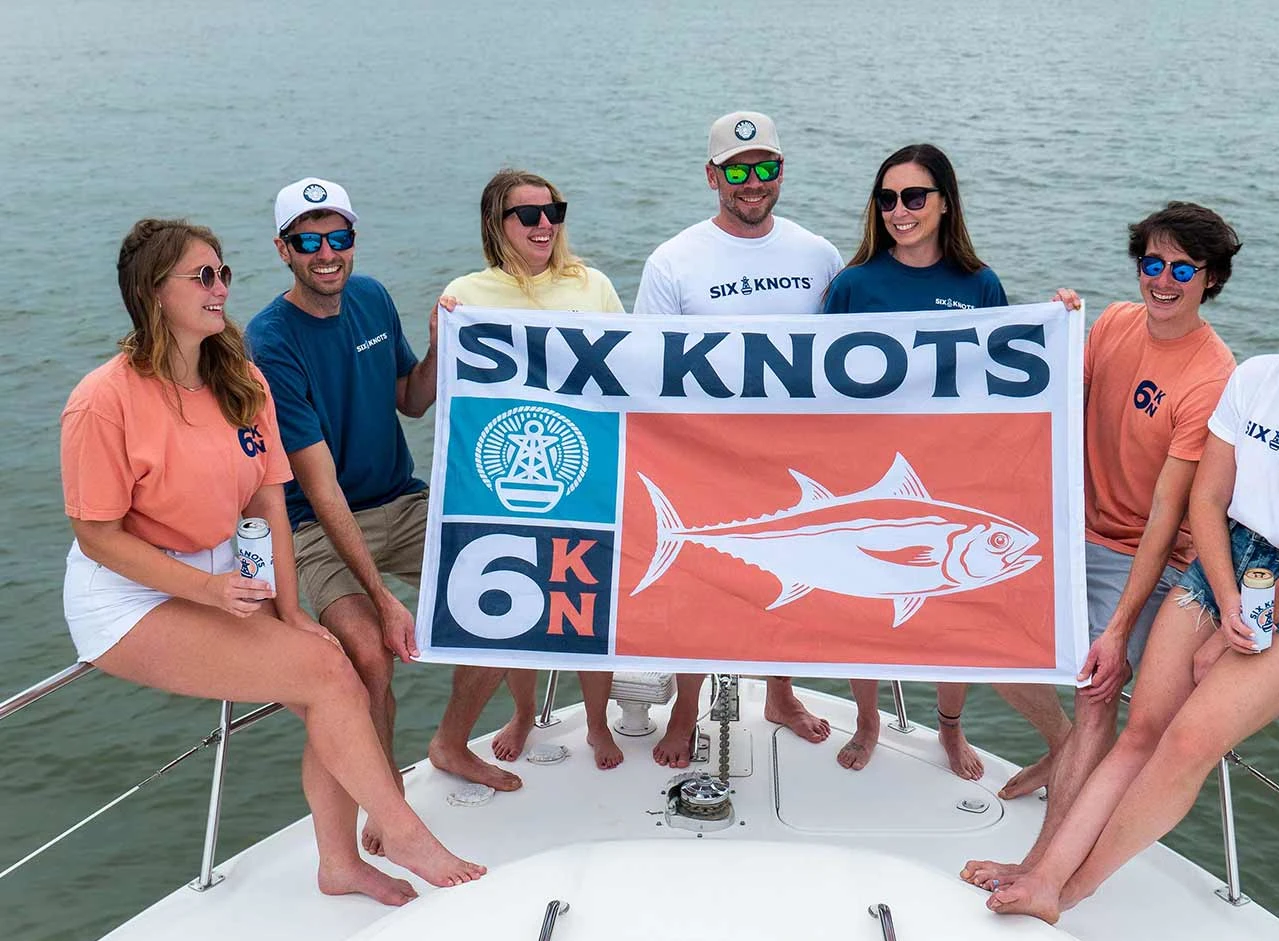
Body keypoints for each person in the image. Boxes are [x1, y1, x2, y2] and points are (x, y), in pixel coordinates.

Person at [972, 251, 1279, 923]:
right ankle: (1042, 871)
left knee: (1185, 744)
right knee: (1139, 733)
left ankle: (1067, 891)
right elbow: (1208, 500)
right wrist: (1222, 600)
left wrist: (1234, 629)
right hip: (1224, 562)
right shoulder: (1257, 379)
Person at [61, 218, 485, 904]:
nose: (220, 287)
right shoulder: (101, 401)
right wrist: (206, 587)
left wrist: (292, 612)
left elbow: (267, 503)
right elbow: (98, 537)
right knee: (328, 677)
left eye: (224, 272)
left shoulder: (240, 377)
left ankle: (340, 864)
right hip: (129, 594)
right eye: (203, 276)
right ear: (151, 293)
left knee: (333, 668)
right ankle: (405, 835)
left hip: (224, 577)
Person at [954, 203, 1241, 872]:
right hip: (1073, 532)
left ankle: (1040, 864)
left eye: (1181, 269)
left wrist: (1116, 628)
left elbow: (1169, 515)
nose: (1162, 281)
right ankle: (1062, 746)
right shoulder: (1112, 322)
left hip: (1151, 556)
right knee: (973, 637)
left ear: (1210, 279)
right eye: (1151, 263)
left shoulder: (1213, 377)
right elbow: (1050, 400)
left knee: (1095, 682)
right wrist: (1051, 329)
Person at [246, 178, 524, 856]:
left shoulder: (370, 297)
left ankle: (451, 744)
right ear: (283, 250)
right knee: (370, 653)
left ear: (352, 241)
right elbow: (321, 487)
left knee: (515, 596)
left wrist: (438, 346)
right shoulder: (268, 340)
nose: (326, 253)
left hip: (401, 502)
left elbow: (413, 400)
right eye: (309, 241)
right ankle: (387, 803)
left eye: (337, 237)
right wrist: (384, 597)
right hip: (316, 524)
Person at [820, 143, 1072, 775]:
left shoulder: (977, 283)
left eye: (913, 197)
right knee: (869, 599)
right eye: (887, 199)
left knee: (949, 603)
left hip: (950, 472)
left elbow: (1013, 373)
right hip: (870, 471)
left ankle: (949, 729)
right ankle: (870, 719)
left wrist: (1058, 320)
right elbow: (812, 384)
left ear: (943, 203)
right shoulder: (852, 285)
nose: (899, 211)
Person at [634, 110, 844, 766]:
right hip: (705, 459)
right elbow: (643, 369)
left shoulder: (820, 255)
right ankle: (686, 709)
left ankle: (780, 693)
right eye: (736, 171)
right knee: (702, 588)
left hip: (795, 459)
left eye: (764, 168)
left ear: (781, 171)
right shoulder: (673, 261)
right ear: (711, 175)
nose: (751, 183)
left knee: (793, 577)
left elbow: (856, 359)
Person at [438, 167, 626, 769]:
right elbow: (447, 394)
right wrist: (444, 333)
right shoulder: (466, 294)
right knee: (518, 603)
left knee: (585, 601)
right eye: (529, 214)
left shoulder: (591, 285)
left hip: (587, 468)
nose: (546, 224)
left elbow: (635, 369)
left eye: (555, 211)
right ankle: (523, 713)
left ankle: (598, 724)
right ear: (499, 224)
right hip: (503, 477)